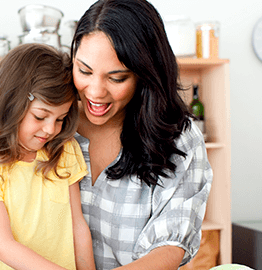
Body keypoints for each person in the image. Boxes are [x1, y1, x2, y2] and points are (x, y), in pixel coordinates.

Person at [70, 0, 213, 269]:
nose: (95, 91)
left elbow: (170, 249)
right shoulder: (52, 128)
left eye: (116, 78)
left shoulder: (179, 138)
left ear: (145, 73)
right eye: (84, 71)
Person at [0, 43, 95, 270]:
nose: (51, 129)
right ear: (10, 104)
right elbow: (4, 246)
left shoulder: (65, 150)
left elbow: (78, 226)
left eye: (60, 119)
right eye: (40, 116)